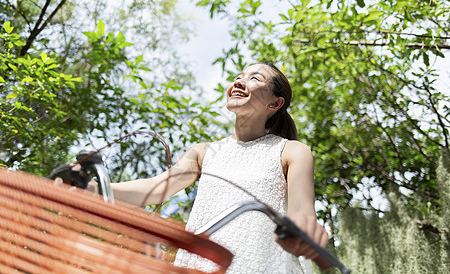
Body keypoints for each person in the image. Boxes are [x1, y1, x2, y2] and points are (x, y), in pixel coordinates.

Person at [87, 63, 329, 273]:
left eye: (254, 78)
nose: (240, 81)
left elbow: (302, 215)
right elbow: (155, 189)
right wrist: (94, 188)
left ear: (275, 103)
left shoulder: (292, 151)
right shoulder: (204, 152)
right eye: (238, 77)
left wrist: (305, 234)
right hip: (200, 267)